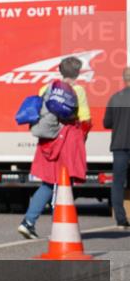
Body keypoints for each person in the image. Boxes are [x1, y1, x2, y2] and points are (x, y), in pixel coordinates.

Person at [18, 56, 92, 239]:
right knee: (65, 184)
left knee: (48, 183)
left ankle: (28, 221)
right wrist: (82, 140)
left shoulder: (46, 88)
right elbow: (85, 119)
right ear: (78, 72)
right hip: (67, 140)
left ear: (60, 70)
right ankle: (60, 227)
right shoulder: (78, 90)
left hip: (48, 141)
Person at [103, 67, 130, 229]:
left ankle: (121, 219)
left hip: (119, 145)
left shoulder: (115, 98)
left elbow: (107, 123)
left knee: (118, 183)